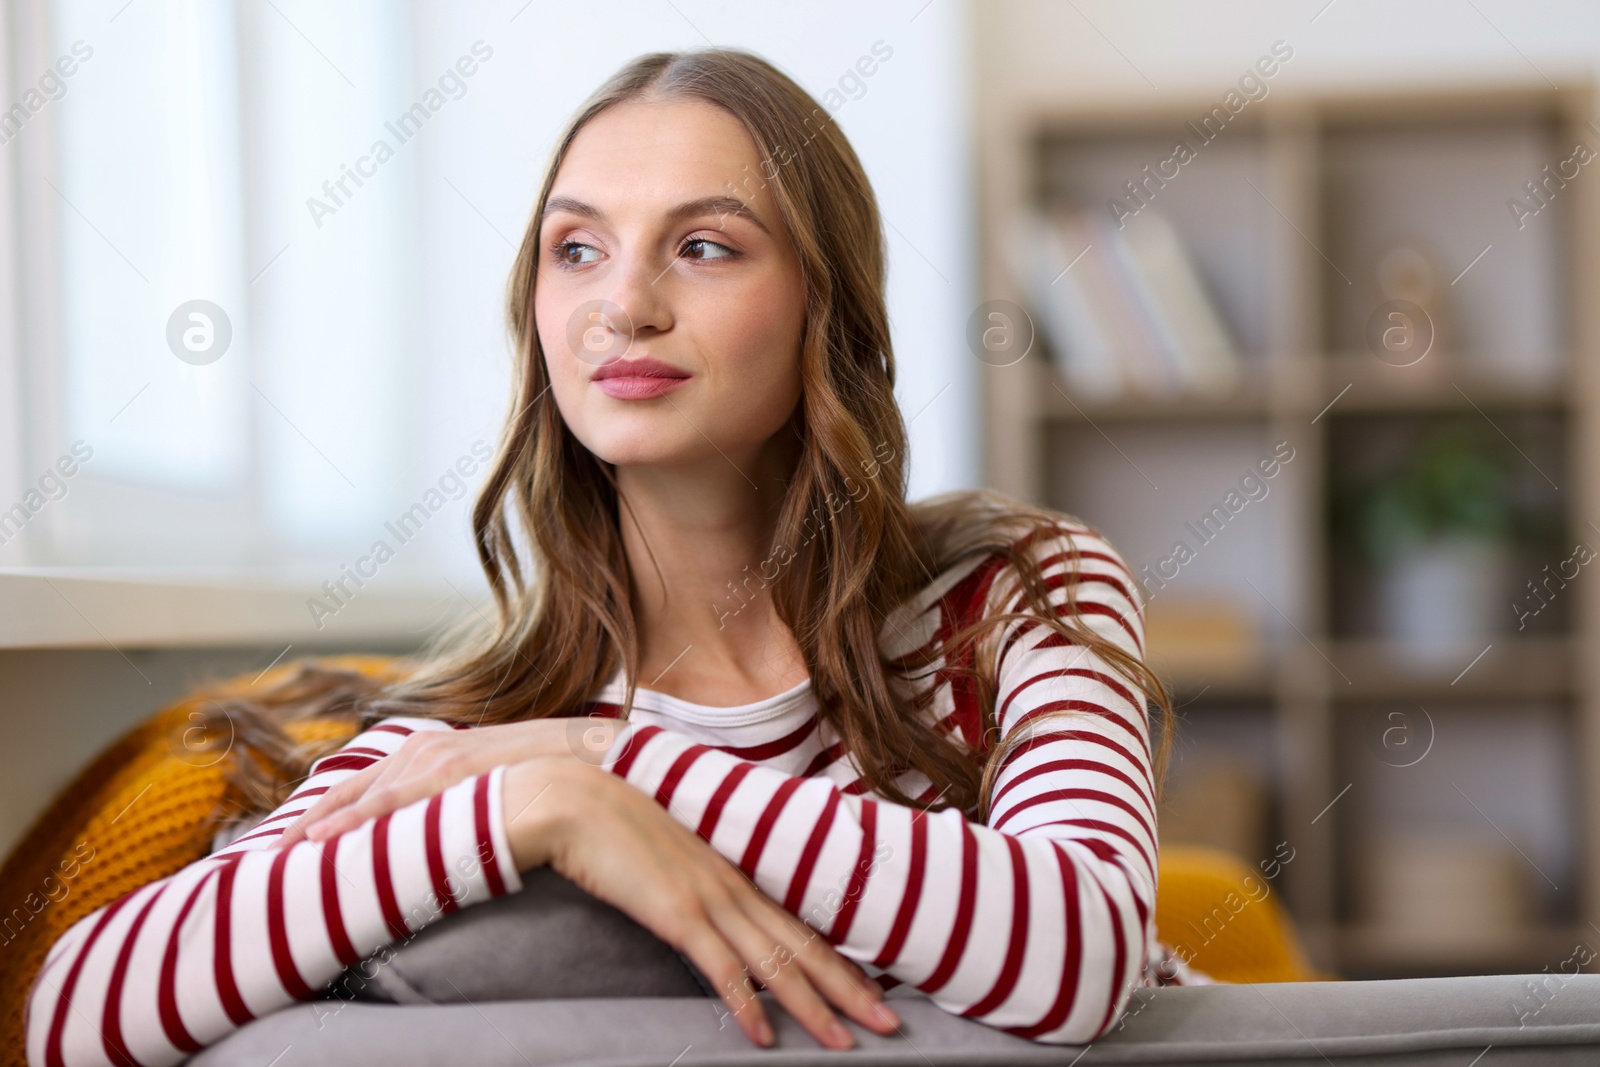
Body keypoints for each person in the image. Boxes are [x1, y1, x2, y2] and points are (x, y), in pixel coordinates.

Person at [24, 46, 1202, 1067]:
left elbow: (1080, 951)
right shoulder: (489, 735)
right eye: (576, 249)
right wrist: (537, 800)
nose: (623, 304)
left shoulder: (1015, 592)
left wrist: (612, 759)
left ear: (821, 305)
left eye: (702, 245)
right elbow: (77, 1011)